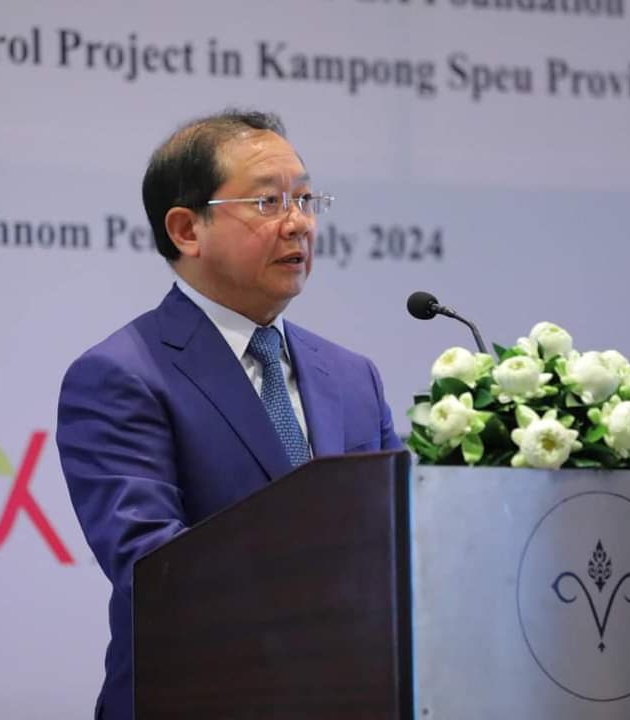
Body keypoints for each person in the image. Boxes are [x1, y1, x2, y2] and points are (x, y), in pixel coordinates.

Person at [56, 109, 402, 720]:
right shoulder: (121, 375)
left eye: (305, 199)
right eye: (268, 203)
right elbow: (154, 572)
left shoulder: (353, 378)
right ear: (187, 230)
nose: (299, 223)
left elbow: (399, 543)